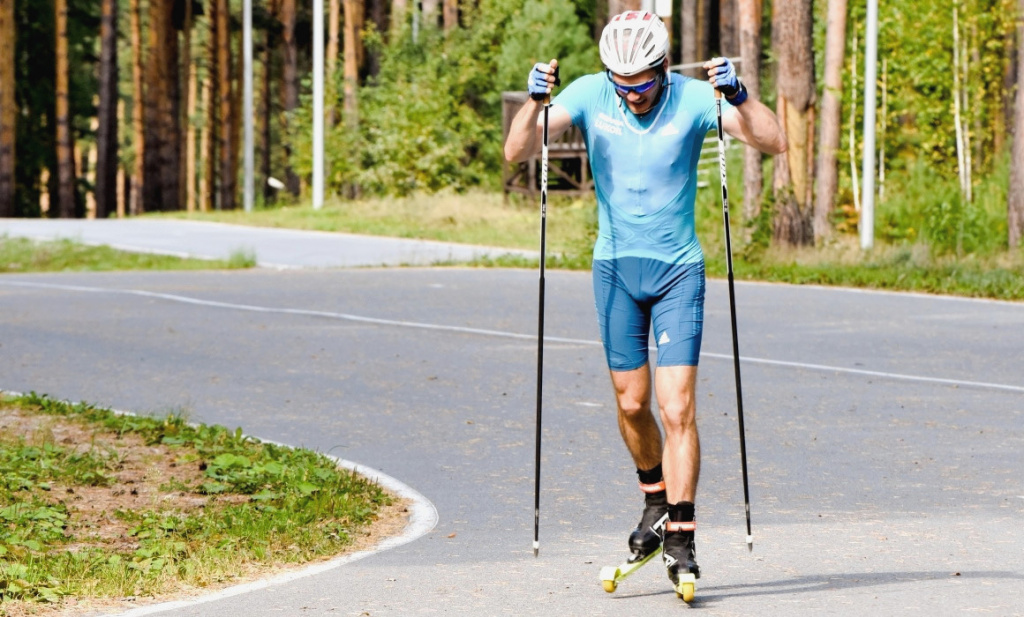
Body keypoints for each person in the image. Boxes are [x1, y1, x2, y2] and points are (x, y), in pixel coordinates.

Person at [503, 10, 786, 591]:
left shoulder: (692, 98)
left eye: (641, 82)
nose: (630, 93)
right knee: (632, 405)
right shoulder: (588, 93)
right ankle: (654, 499)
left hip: (678, 270)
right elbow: (516, 153)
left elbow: (774, 140)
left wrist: (740, 95)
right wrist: (534, 104)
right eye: (620, 83)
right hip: (614, 272)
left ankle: (681, 536)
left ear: (662, 68)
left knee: (677, 406)